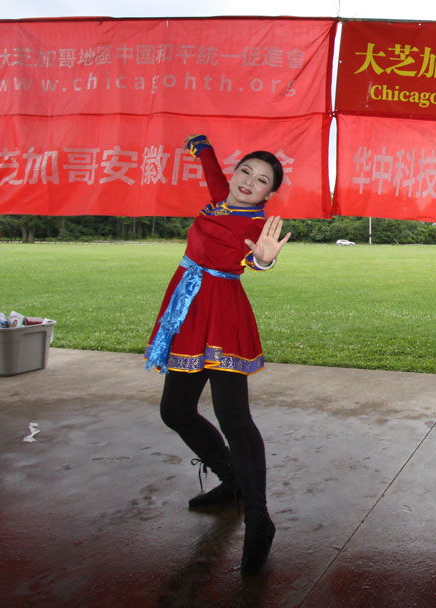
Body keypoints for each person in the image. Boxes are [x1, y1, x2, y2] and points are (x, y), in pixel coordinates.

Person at [144, 134, 291, 575]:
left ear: (268, 194)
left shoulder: (253, 226)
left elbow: (255, 259)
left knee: (234, 417)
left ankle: (259, 520)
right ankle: (232, 480)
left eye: (261, 180)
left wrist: (264, 261)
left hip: (222, 317)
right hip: (188, 312)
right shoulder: (219, 199)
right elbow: (213, 173)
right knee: (175, 410)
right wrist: (202, 147)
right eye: (245, 171)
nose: (249, 182)